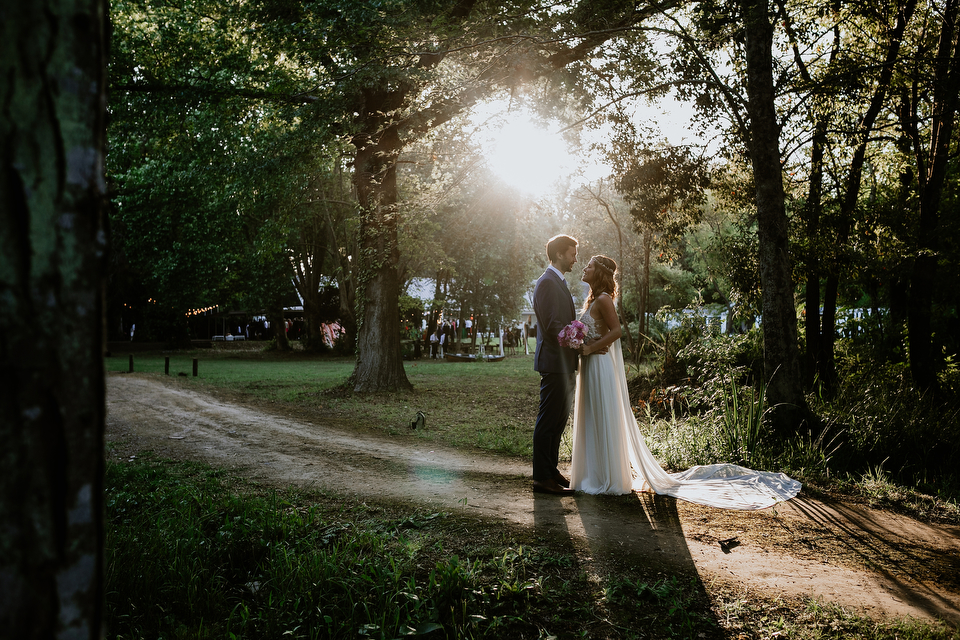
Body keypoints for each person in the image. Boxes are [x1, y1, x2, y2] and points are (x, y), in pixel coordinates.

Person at [569, 255, 801, 509]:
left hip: (599, 365)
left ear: (599, 273)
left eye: (589, 266)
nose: (584, 268)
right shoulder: (593, 299)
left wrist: (591, 349)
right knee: (592, 416)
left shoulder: (603, 300)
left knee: (602, 416)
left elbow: (616, 332)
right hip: (590, 365)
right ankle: (592, 474)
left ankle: (605, 478)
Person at [531, 234, 590, 495]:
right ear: (558, 255)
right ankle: (541, 477)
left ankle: (551, 470)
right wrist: (577, 340)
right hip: (554, 362)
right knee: (549, 419)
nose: (575, 258)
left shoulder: (558, 282)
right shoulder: (547, 283)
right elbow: (555, 326)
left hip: (564, 362)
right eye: (572, 253)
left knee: (558, 420)